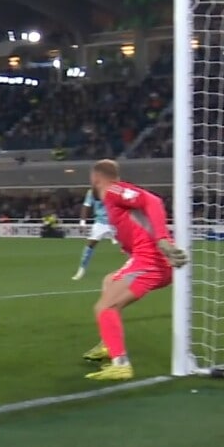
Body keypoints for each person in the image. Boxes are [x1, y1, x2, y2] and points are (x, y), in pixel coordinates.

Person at [80, 159, 188, 381]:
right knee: (109, 281)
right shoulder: (113, 199)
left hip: (151, 260)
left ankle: (121, 364)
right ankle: (108, 344)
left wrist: (162, 240)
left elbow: (153, 201)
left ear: (96, 178)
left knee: (104, 307)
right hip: (146, 258)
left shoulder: (113, 191)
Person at [72, 186, 115, 280]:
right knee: (90, 244)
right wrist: (82, 222)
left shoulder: (114, 190)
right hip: (100, 222)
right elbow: (86, 206)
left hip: (115, 222)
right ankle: (82, 269)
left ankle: (133, 268)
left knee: (126, 247)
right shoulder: (92, 192)